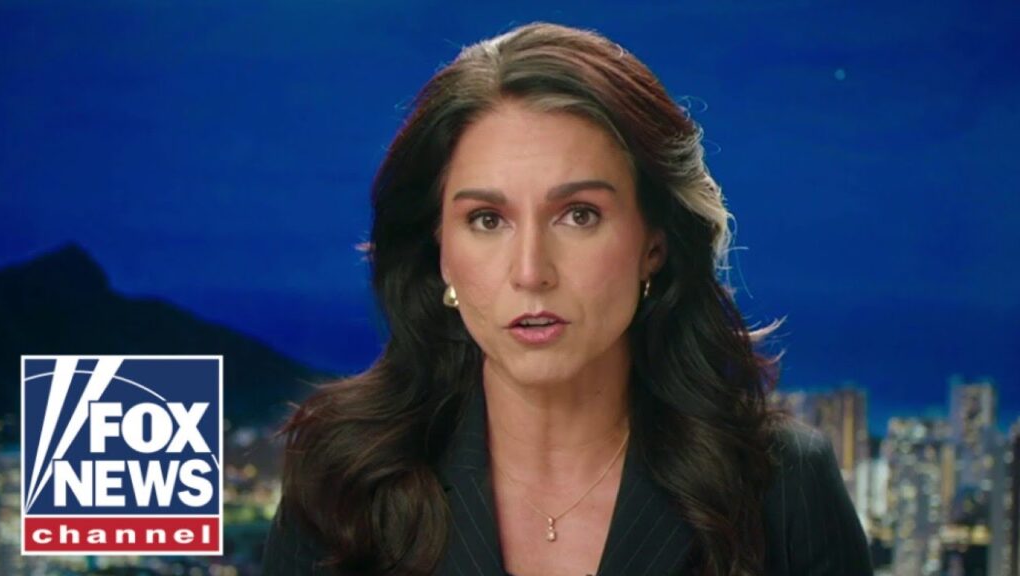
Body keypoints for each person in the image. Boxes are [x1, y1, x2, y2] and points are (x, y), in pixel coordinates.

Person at [261, 21, 873, 576]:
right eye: (487, 220)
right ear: (439, 249)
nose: (531, 272)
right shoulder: (343, 482)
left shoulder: (782, 487)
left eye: (579, 214)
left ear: (654, 245)